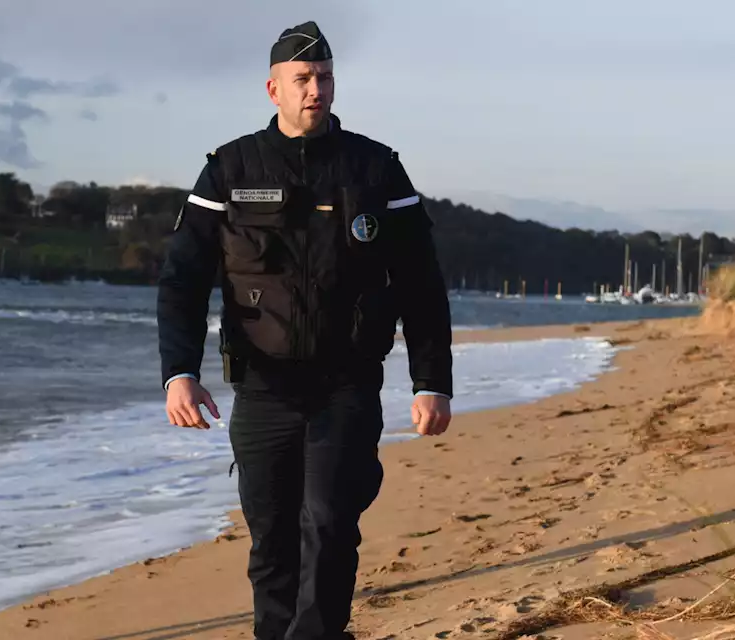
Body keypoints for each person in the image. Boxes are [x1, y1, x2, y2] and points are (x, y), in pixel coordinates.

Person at [156, 20, 455, 640]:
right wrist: (179, 372)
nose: (315, 90)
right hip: (262, 387)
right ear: (273, 89)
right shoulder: (229, 168)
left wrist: (432, 381)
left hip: (345, 384)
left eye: (324, 78)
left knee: (328, 521)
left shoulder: (376, 170)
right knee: (271, 538)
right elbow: (183, 279)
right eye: (302, 79)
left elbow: (421, 284)